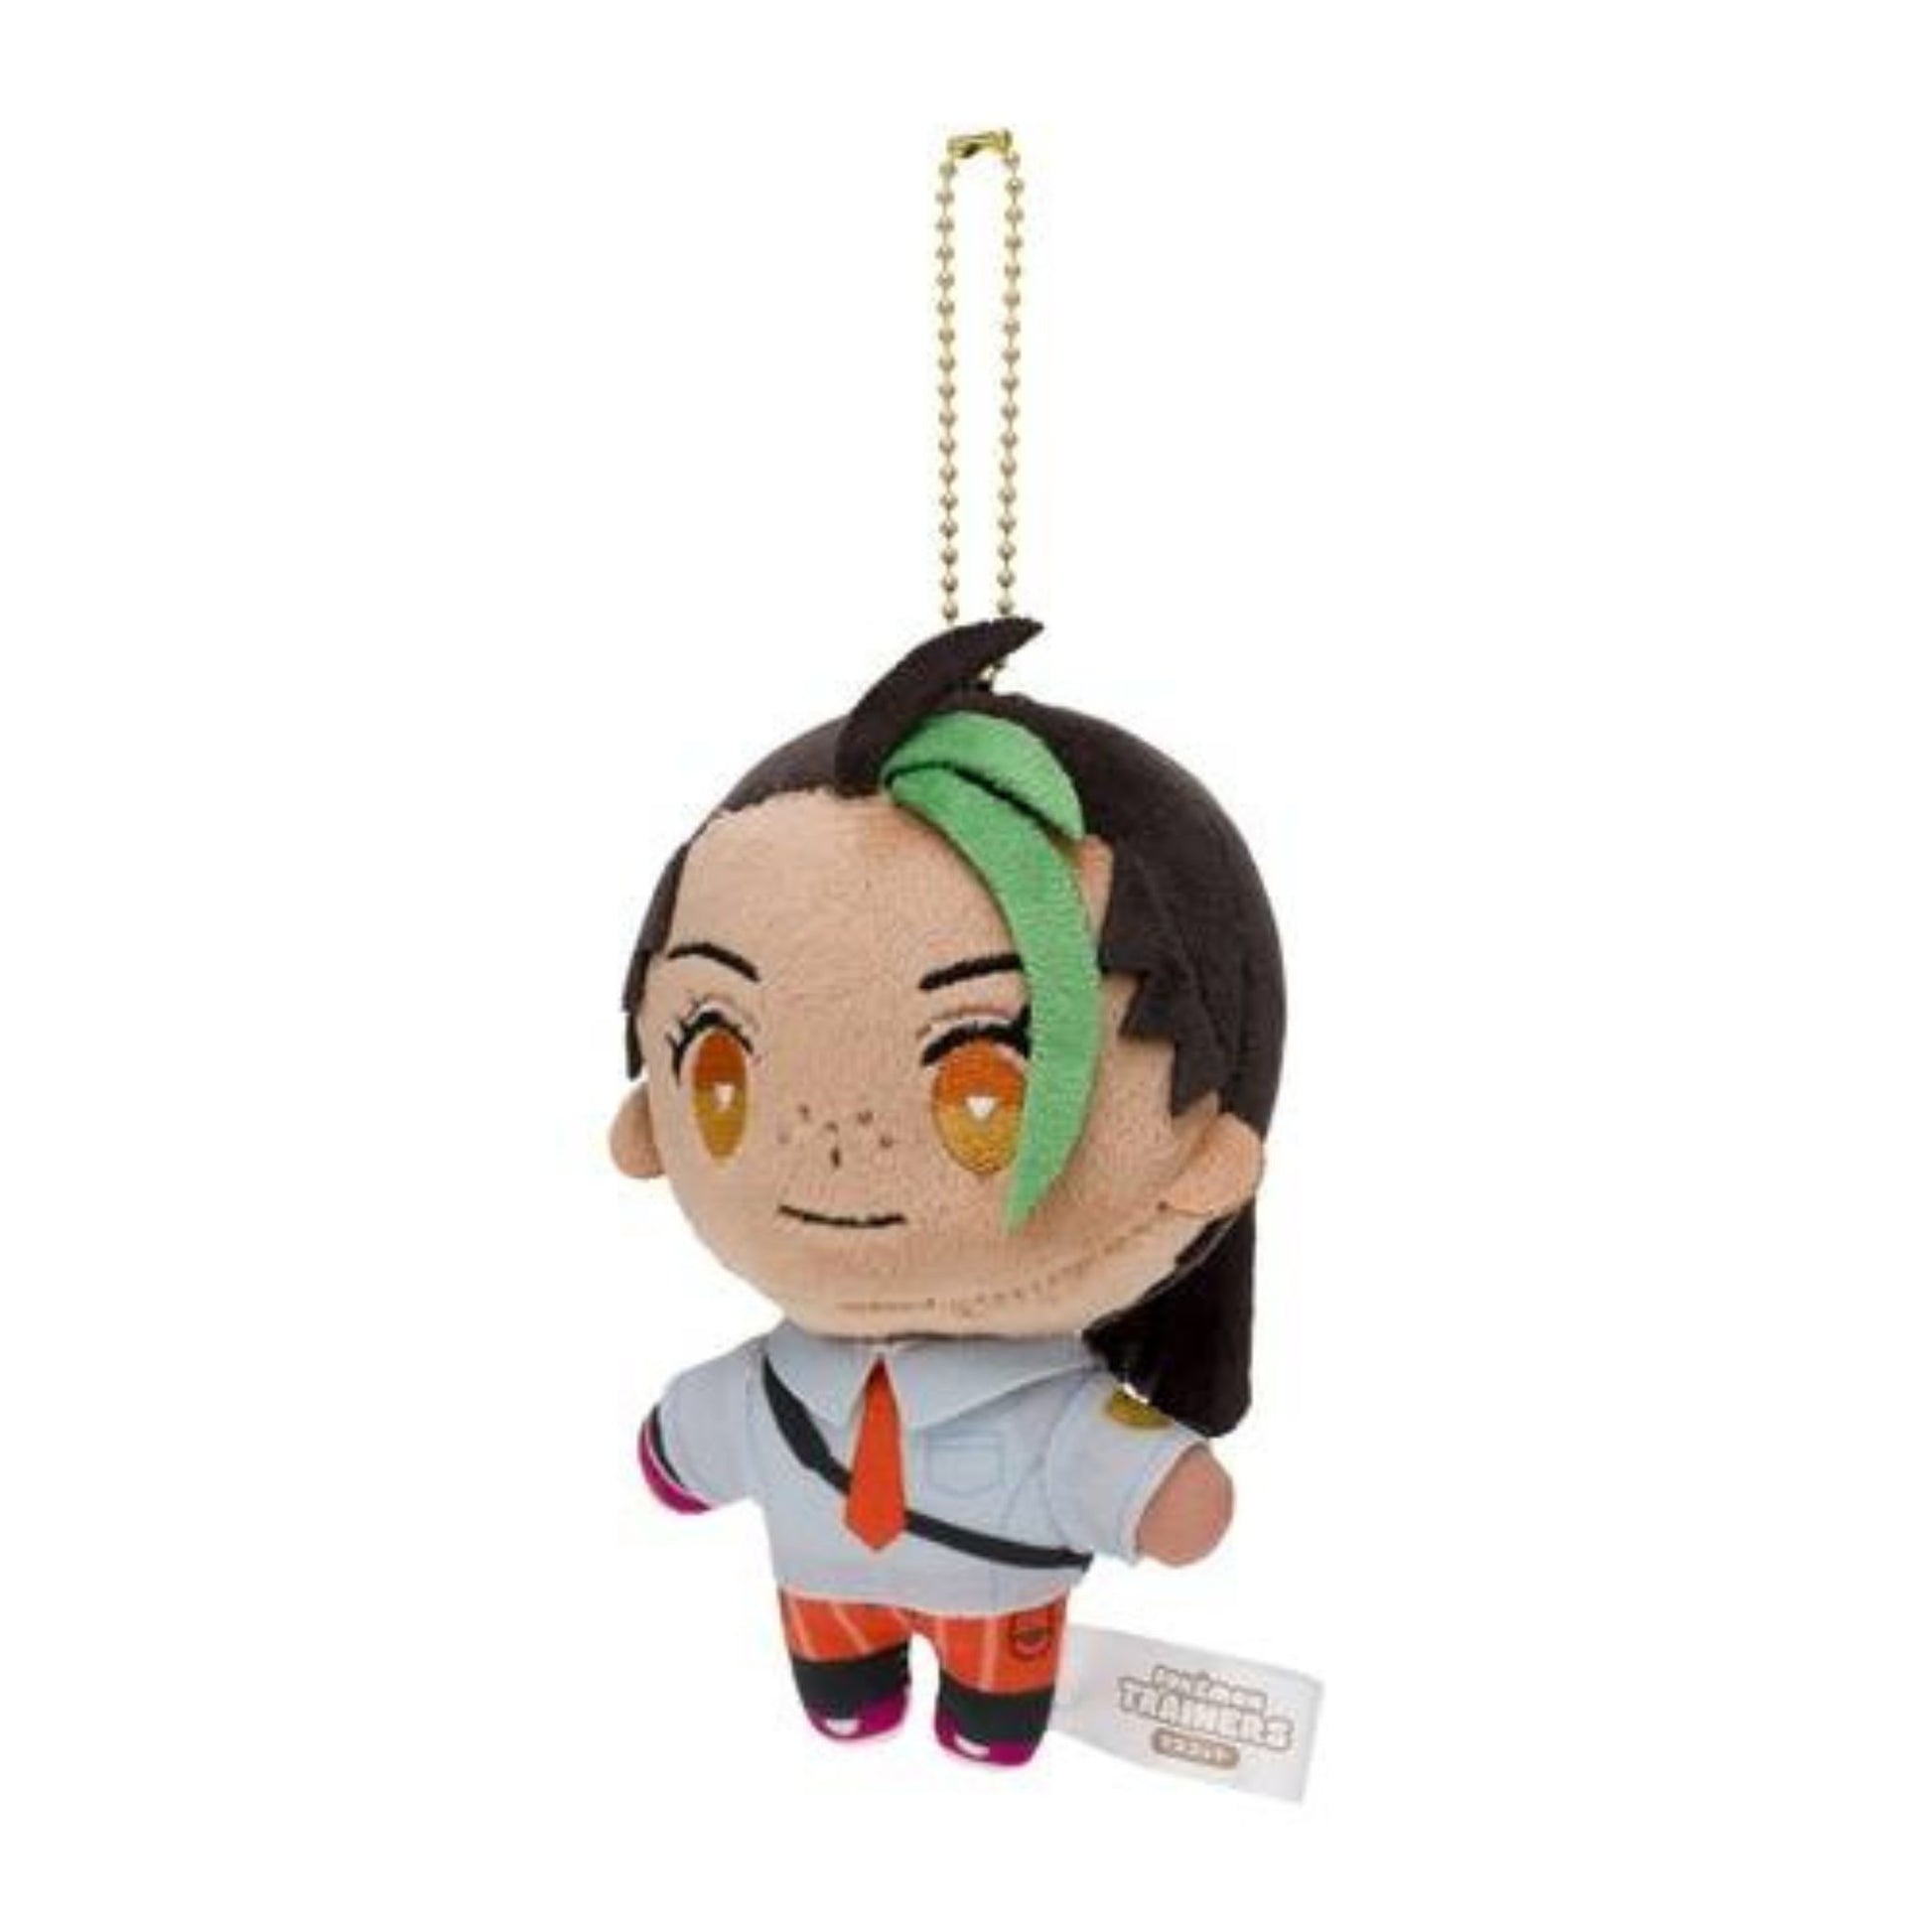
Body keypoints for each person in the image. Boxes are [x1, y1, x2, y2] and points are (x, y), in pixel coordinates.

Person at [612, 617, 1286, 1766]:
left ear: (1209, 1152)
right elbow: (685, 1444)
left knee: (993, 1709)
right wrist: (672, 1454)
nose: (830, 1142)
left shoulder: (1049, 1404)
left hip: (999, 1609)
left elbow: (1162, 1493)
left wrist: (1159, 1482)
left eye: (983, 1087)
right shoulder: (775, 1385)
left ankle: (987, 1715)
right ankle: (848, 1689)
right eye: (720, 1069)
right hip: (821, 1591)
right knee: (836, 1685)